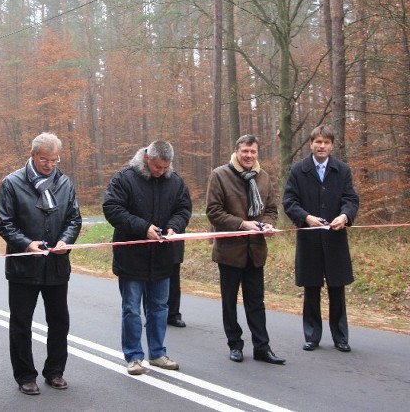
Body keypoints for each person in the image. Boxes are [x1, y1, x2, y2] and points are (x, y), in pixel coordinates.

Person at [0, 132, 81, 395]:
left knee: (59, 321)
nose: (50, 165)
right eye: (45, 160)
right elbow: (4, 223)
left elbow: (74, 219)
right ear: (33, 155)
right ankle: (25, 375)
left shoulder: (64, 183)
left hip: (56, 266)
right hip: (24, 266)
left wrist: (65, 240)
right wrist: (26, 243)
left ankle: (55, 371)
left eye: (54, 160)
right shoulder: (12, 183)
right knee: (21, 323)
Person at [103, 140, 192, 375]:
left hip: (162, 257)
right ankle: (133, 356)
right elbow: (112, 208)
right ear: (147, 158)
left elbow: (183, 209)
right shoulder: (124, 178)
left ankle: (158, 353)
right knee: (132, 308)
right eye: (157, 167)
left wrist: (174, 226)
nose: (161, 171)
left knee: (159, 307)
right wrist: (143, 228)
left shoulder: (175, 181)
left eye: (165, 167)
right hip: (131, 256)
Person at [205, 134, 285, 365]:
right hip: (230, 251)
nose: (249, 156)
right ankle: (235, 345)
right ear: (237, 152)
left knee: (256, 303)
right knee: (229, 301)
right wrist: (242, 224)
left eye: (253, 152)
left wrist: (269, 224)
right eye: (245, 151)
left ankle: (262, 347)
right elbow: (214, 212)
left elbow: (271, 209)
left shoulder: (264, 177)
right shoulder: (220, 175)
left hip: (256, 251)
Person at [282, 125, 359, 353]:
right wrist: (305, 217)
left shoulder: (342, 170)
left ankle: (341, 337)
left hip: (335, 239)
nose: (321, 146)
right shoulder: (298, 170)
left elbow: (351, 199)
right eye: (318, 142)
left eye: (326, 142)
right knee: (311, 288)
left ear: (332, 145)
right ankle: (312, 336)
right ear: (311, 144)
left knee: (337, 289)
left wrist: (344, 216)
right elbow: (289, 201)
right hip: (309, 240)